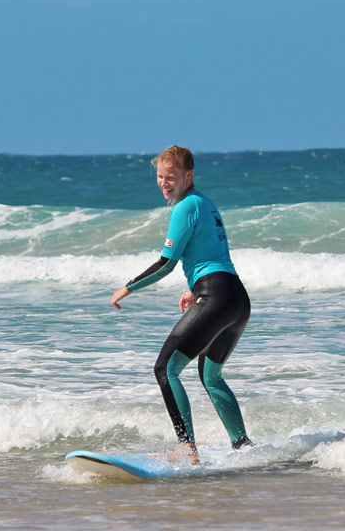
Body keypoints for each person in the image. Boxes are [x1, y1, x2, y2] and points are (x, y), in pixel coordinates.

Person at [110, 145, 254, 464]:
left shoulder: (185, 206)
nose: (164, 182)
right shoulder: (205, 202)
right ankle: (243, 445)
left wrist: (127, 288)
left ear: (188, 175)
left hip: (216, 296)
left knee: (166, 368)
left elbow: (166, 264)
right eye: (160, 176)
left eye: (171, 177)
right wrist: (195, 289)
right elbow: (213, 254)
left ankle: (187, 448)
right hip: (236, 299)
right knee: (210, 375)